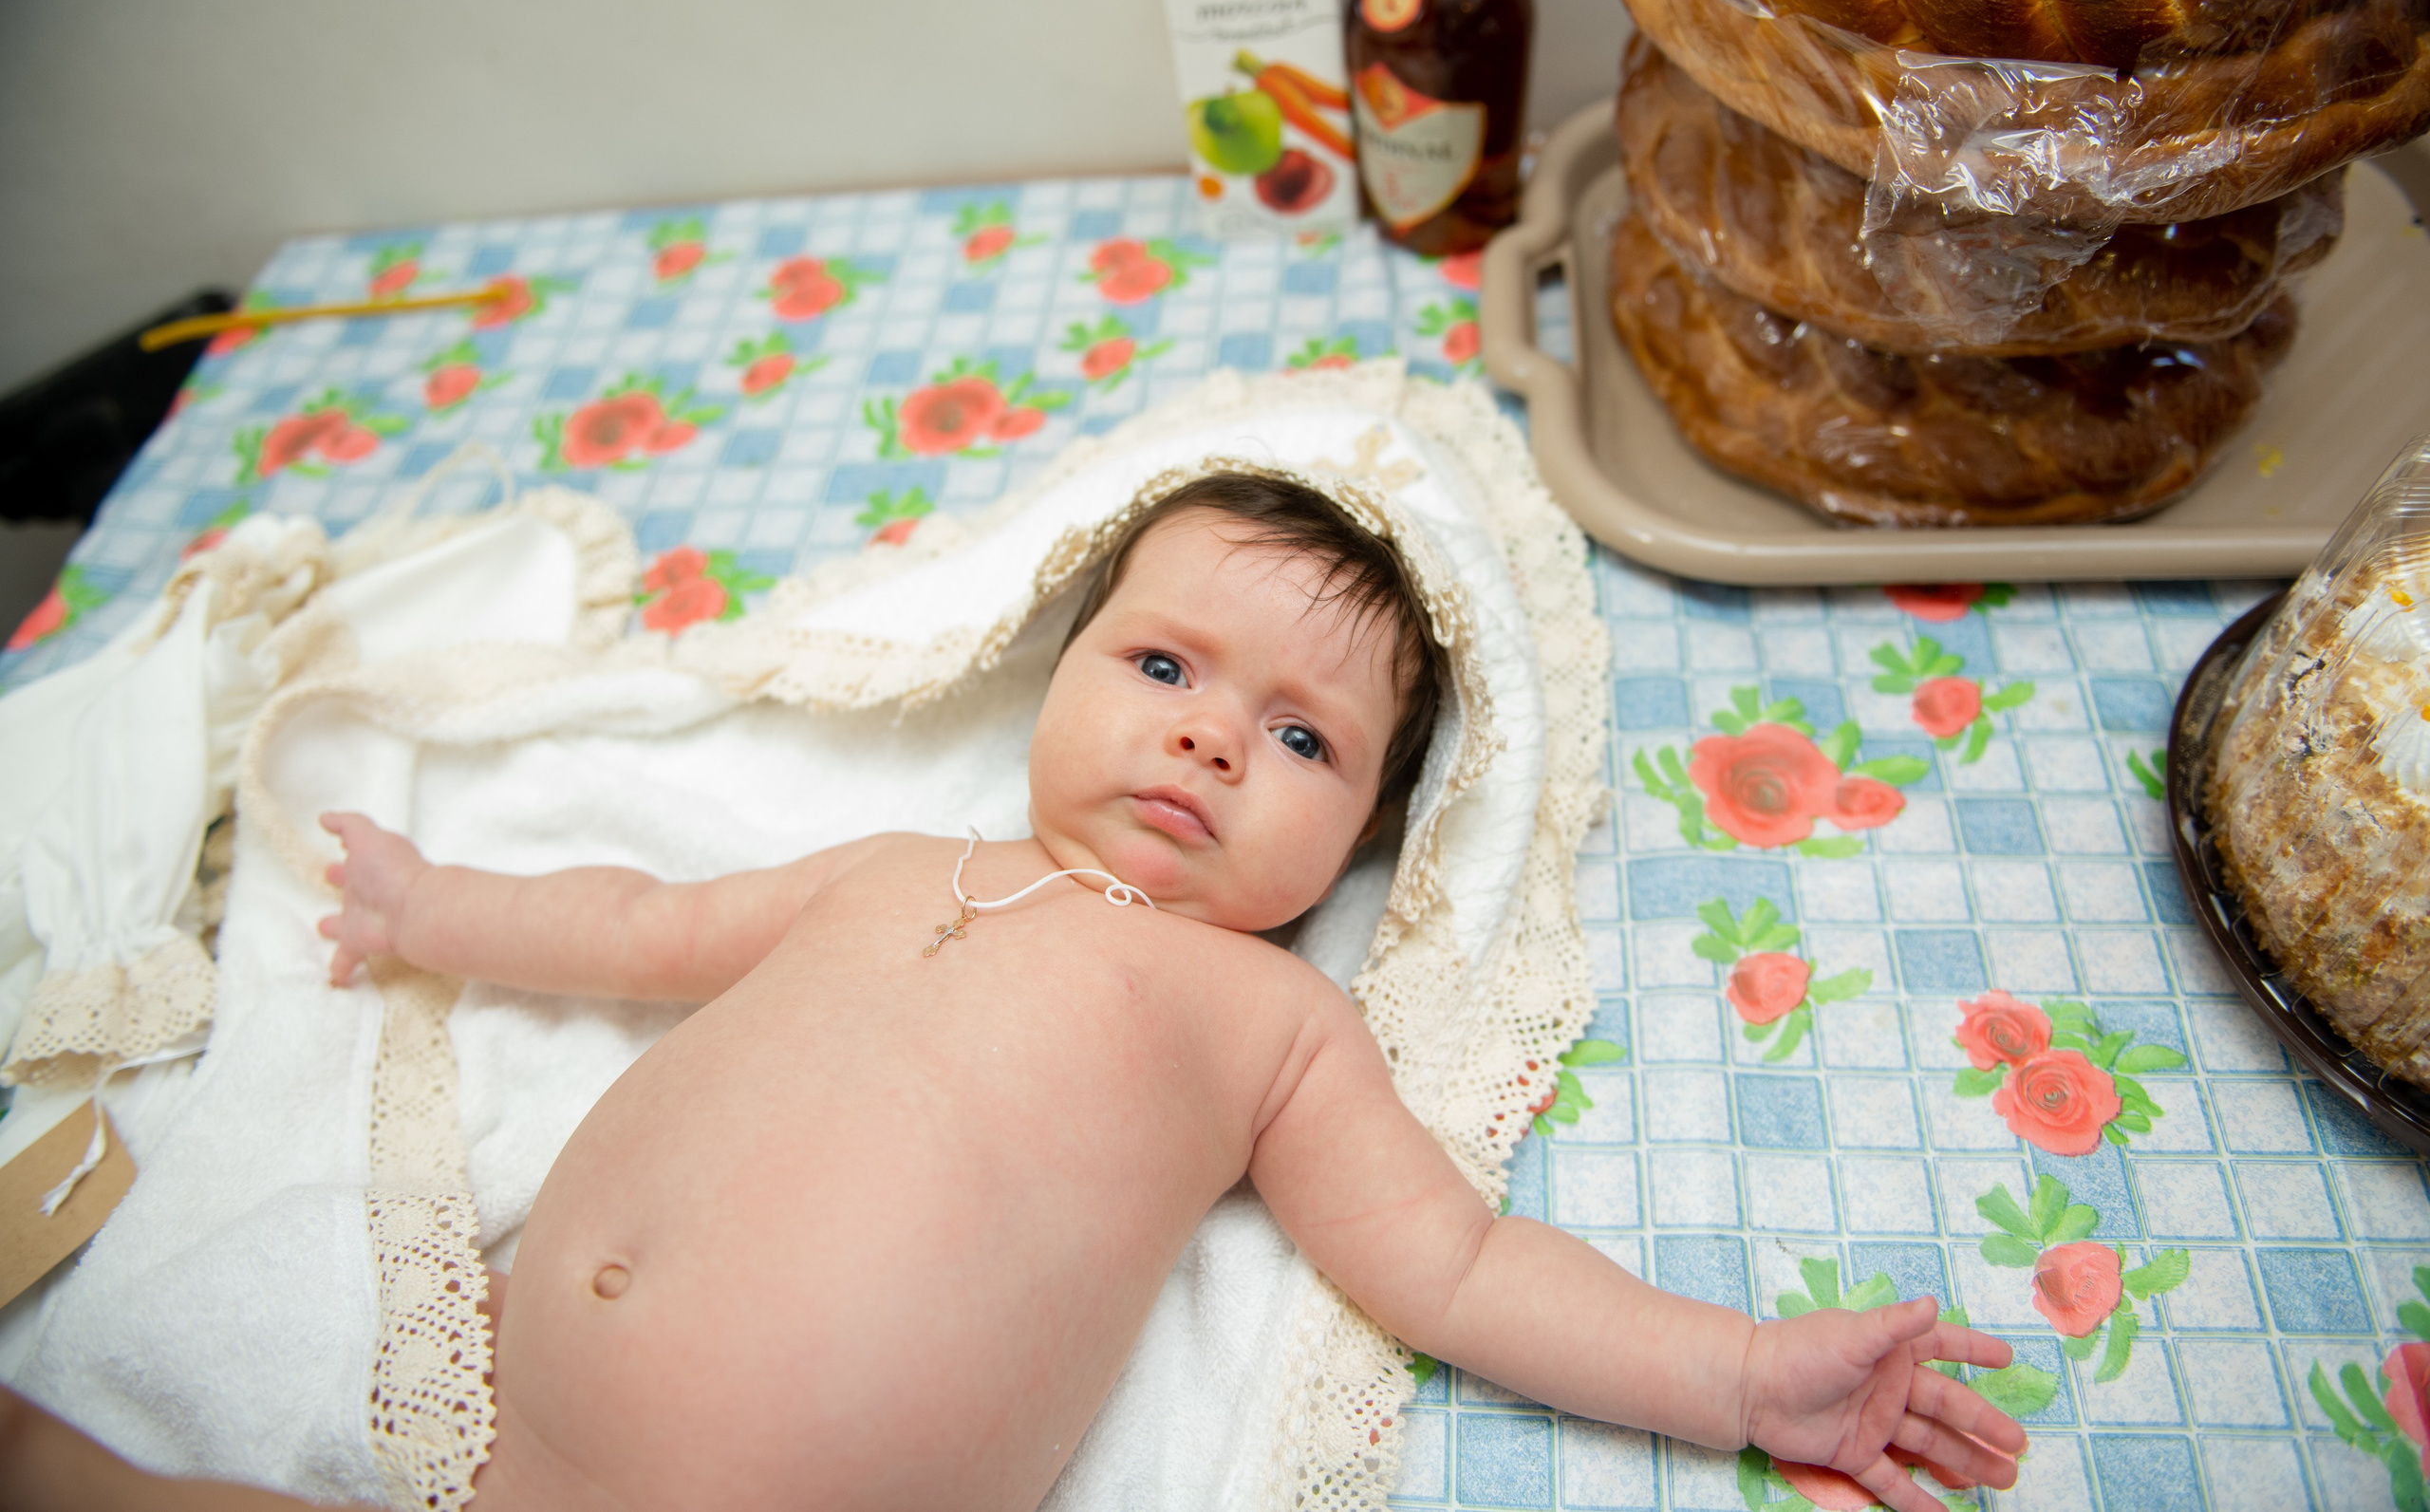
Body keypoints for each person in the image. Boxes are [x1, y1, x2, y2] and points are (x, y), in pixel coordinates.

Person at [0, 475, 2025, 1512]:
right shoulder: (888, 868)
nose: (1213, 736)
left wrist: (1737, 1378)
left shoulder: (1264, 1027)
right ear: (1054, 674)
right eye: (1163, 666)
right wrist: (440, 905)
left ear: (1363, 842)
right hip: (491, 1434)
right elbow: (640, 927)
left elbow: (1460, 1265)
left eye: (1303, 738)